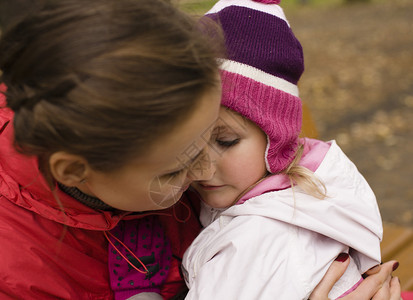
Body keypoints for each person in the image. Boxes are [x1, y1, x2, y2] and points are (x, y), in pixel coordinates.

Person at [0, 0, 401, 299]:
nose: (201, 170)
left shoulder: (214, 184)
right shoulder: (18, 273)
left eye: (220, 139)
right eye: (175, 169)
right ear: (74, 170)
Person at [181, 0, 403, 299]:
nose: (201, 166)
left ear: (277, 136)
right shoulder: (303, 185)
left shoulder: (258, 242)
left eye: (226, 142)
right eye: (189, 141)